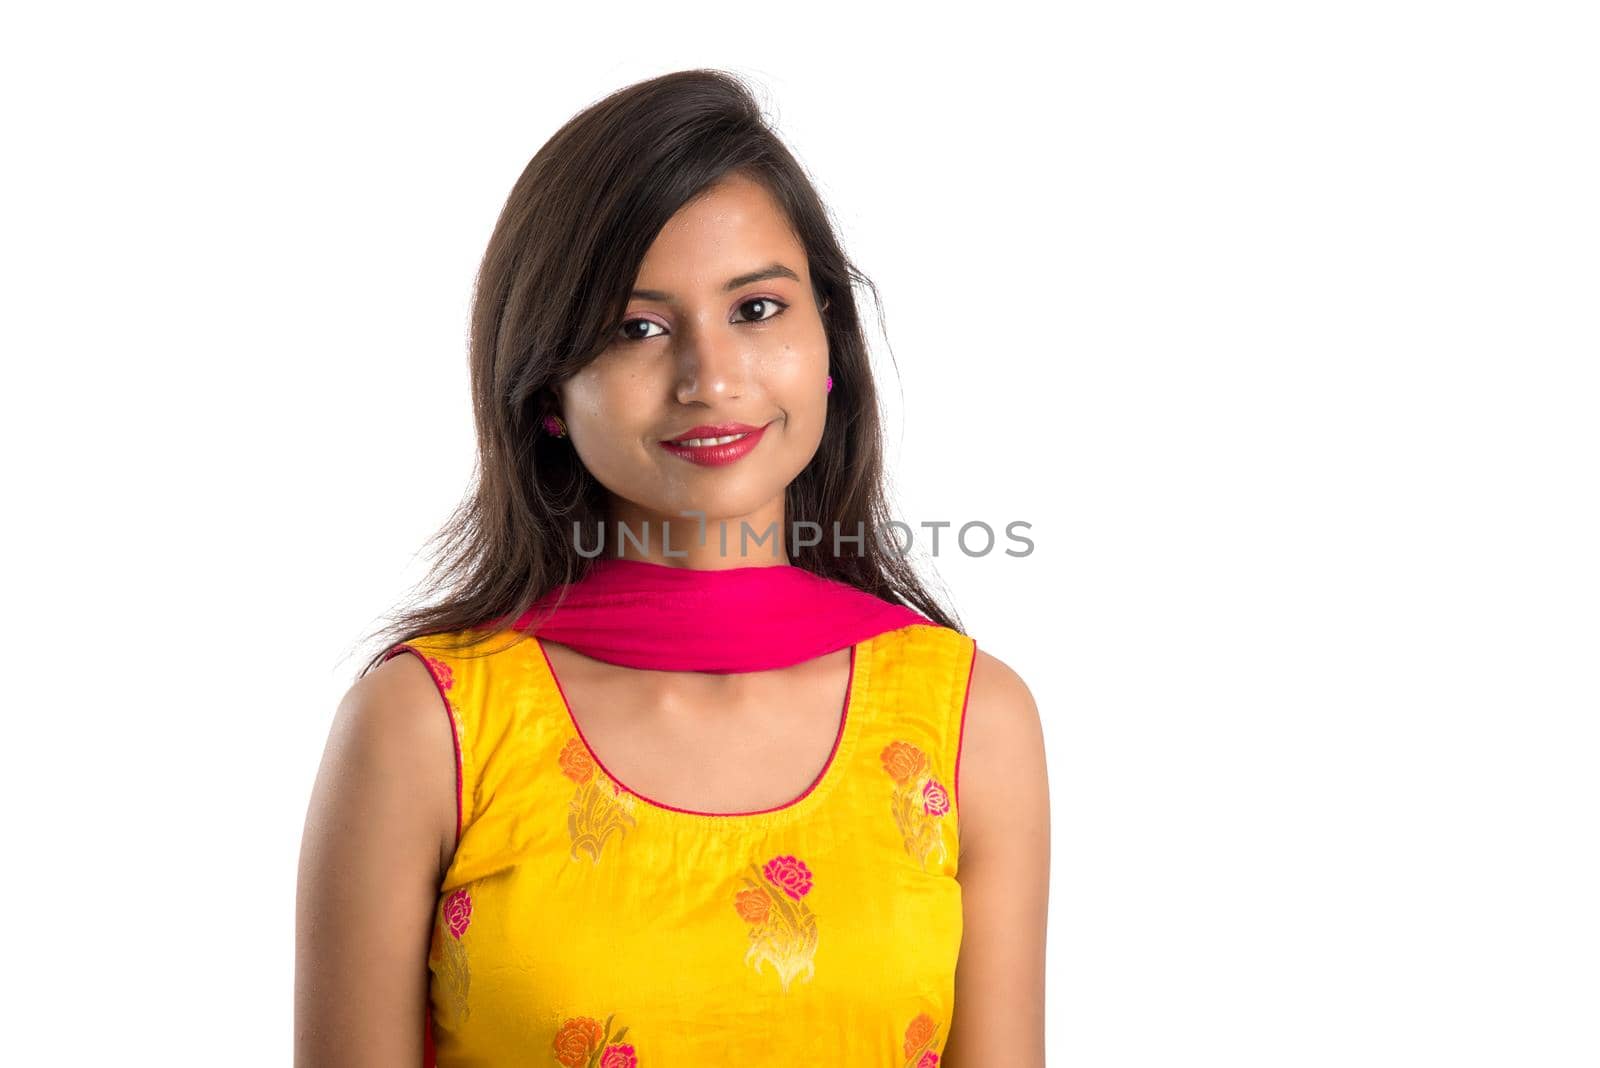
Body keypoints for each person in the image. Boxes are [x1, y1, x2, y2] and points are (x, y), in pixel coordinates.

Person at [296, 68, 1049, 1066]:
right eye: (636, 328)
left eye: (757, 310)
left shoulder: (965, 724)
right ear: (547, 389)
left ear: (828, 340)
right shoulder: (429, 725)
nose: (712, 378)